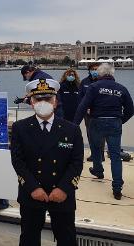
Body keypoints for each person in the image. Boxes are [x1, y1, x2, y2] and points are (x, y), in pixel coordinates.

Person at [11, 78, 84, 246]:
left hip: (62, 194)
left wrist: (64, 189)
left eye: (48, 99)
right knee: (29, 238)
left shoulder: (71, 129)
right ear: (31, 102)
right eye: (38, 99)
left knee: (66, 238)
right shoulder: (20, 128)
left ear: (55, 102)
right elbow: (18, 161)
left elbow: (76, 163)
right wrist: (33, 188)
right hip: (32, 193)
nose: (43, 103)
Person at [73, 63, 133, 200]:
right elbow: (131, 109)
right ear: (112, 74)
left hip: (97, 121)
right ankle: (117, 188)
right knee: (115, 155)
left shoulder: (94, 87)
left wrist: (74, 125)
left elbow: (83, 106)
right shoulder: (121, 88)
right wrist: (120, 120)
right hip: (114, 122)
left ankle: (98, 170)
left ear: (100, 74)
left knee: (95, 147)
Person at [78, 62, 105, 161]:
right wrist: (86, 108)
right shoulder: (84, 82)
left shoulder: (103, 81)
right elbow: (80, 97)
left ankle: (101, 154)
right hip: (88, 113)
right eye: (93, 69)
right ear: (89, 70)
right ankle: (94, 154)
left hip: (100, 113)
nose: (94, 71)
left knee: (101, 134)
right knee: (90, 134)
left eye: (97, 69)